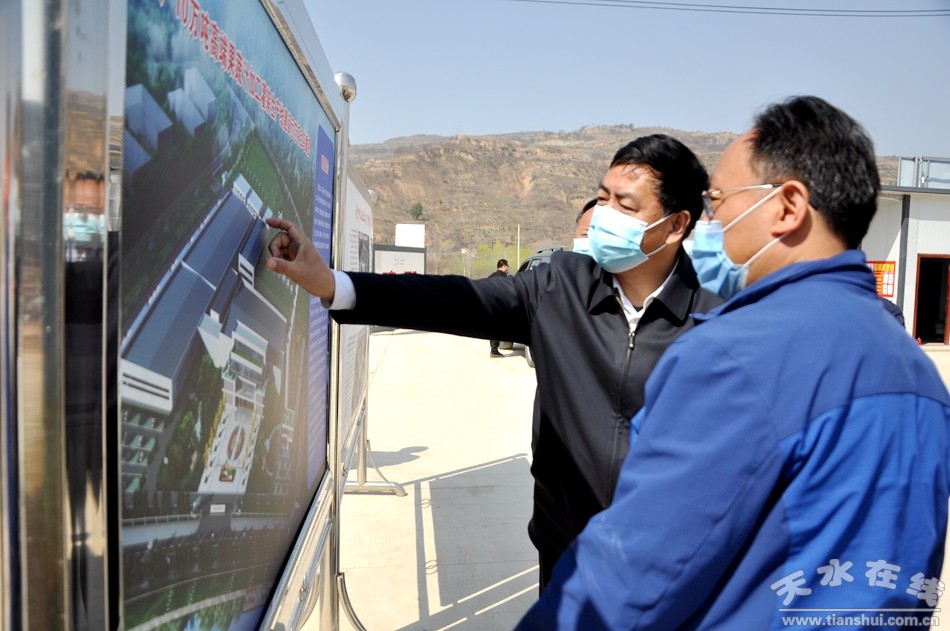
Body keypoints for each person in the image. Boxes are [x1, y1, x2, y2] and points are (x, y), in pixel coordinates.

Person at [517, 96, 950, 629]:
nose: (710, 221)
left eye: (718, 199)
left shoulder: (733, 356)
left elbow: (634, 572)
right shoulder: (917, 373)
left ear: (788, 207)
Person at [265, 134, 723, 590]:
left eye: (625, 205)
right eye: (602, 199)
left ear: (676, 224)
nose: (604, 215)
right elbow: (455, 299)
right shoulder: (559, 287)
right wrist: (333, 284)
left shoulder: (718, 321)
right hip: (565, 553)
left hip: (666, 566)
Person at [488, 258, 510, 357]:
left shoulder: (491, 277)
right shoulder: (505, 277)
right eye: (507, 266)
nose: (508, 268)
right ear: (504, 266)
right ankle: (494, 351)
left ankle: (493, 349)